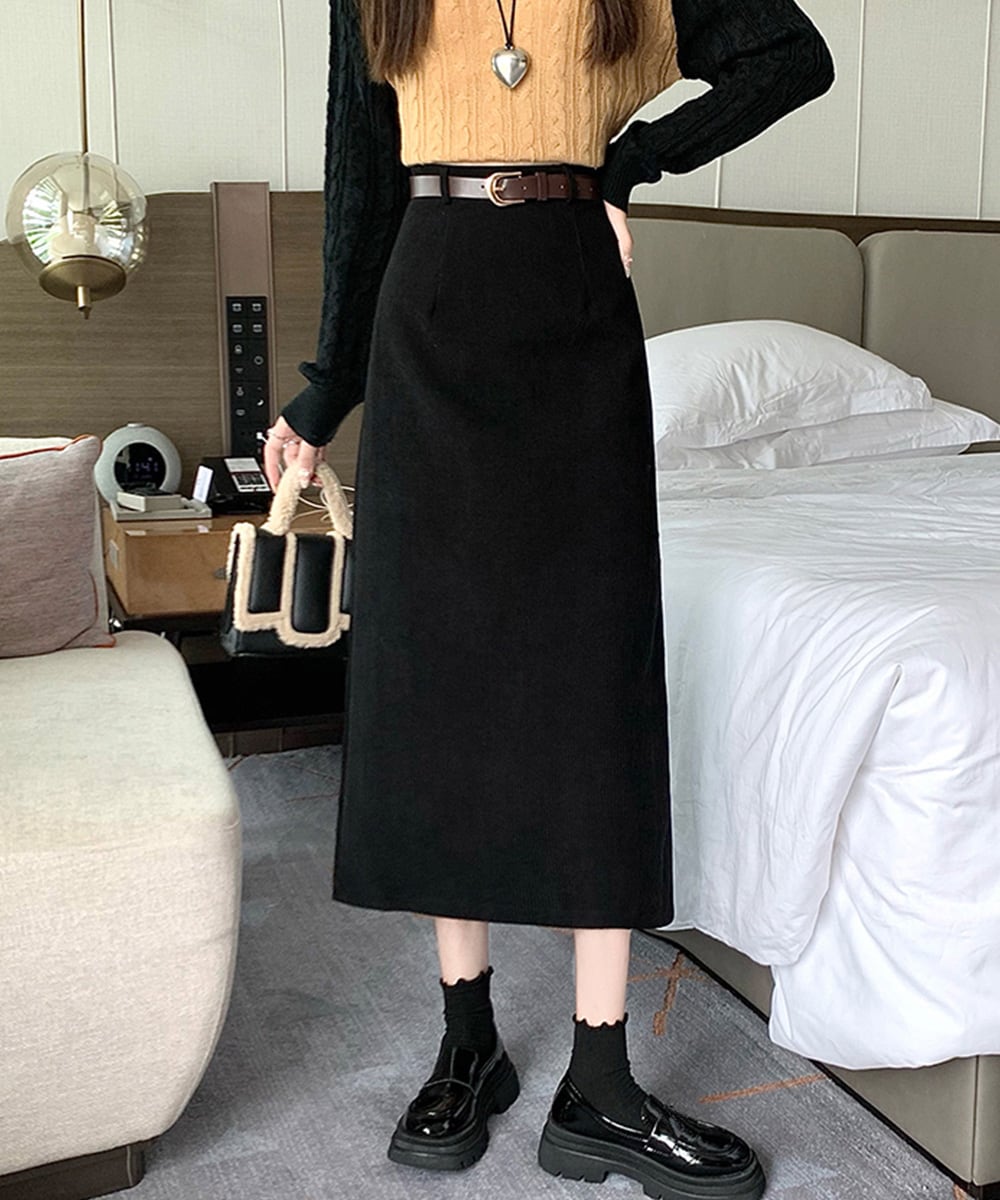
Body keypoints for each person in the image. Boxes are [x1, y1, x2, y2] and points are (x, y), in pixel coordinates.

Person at [262, 1, 834, 1195]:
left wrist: (633, 159)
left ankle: (600, 1081)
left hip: (573, 305)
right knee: (440, 678)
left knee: (590, 682)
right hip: (428, 305)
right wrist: (324, 390)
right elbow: (360, 184)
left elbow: (790, 57)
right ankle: (466, 1040)